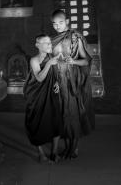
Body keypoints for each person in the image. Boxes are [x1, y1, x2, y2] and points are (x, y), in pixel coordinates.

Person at [50, 9, 94, 159]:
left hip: (72, 82)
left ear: (67, 21)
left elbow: (86, 60)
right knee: (62, 115)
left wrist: (73, 61)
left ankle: (73, 149)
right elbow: (50, 63)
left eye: (61, 22)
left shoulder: (75, 38)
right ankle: (69, 147)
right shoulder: (52, 39)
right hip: (58, 81)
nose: (57, 26)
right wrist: (53, 80)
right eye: (54, 23)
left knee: (73, 114)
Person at [24, 35, 63, 163]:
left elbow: (56, 74)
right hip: (36, 95)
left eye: (50, 43)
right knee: (37, 122)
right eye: (46, 43)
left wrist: (57, 82)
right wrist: (49, 64)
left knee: (56, 120)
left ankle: (54, 152)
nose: (49, 45)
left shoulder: (53, 57)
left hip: (51, 93)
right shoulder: (34, 60)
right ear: (37, 45)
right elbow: (39, 78)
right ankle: (41, 153)